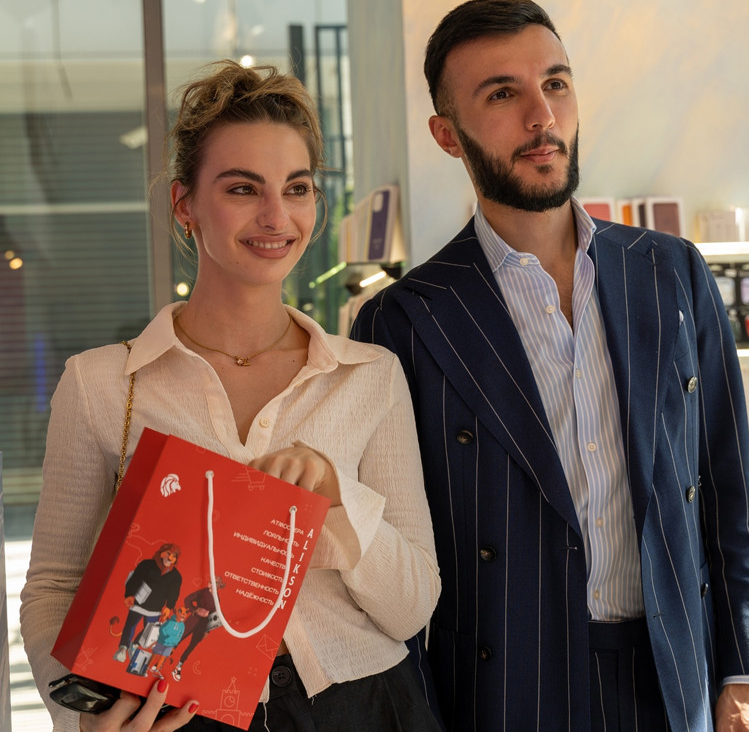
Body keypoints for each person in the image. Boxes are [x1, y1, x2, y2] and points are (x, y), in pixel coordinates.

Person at [350, 0, 749, 732]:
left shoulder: (671, 272)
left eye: (555, 83)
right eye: (502, 94)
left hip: (672, 679)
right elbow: (396, 554)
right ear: (447, 135)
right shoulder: (406, 319)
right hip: (501, 690)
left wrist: (745, 678)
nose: (541, 115)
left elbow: (726, 485)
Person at [21, 60, 442, 732]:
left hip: (364, 704)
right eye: (243, 188)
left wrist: (336, 496)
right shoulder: (102, 384)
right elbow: (53, 589)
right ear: (184, 204)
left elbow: (412, 607)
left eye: (297, 188)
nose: (276, 216)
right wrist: (82, 714)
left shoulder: (369, 375)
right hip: (174, 711)